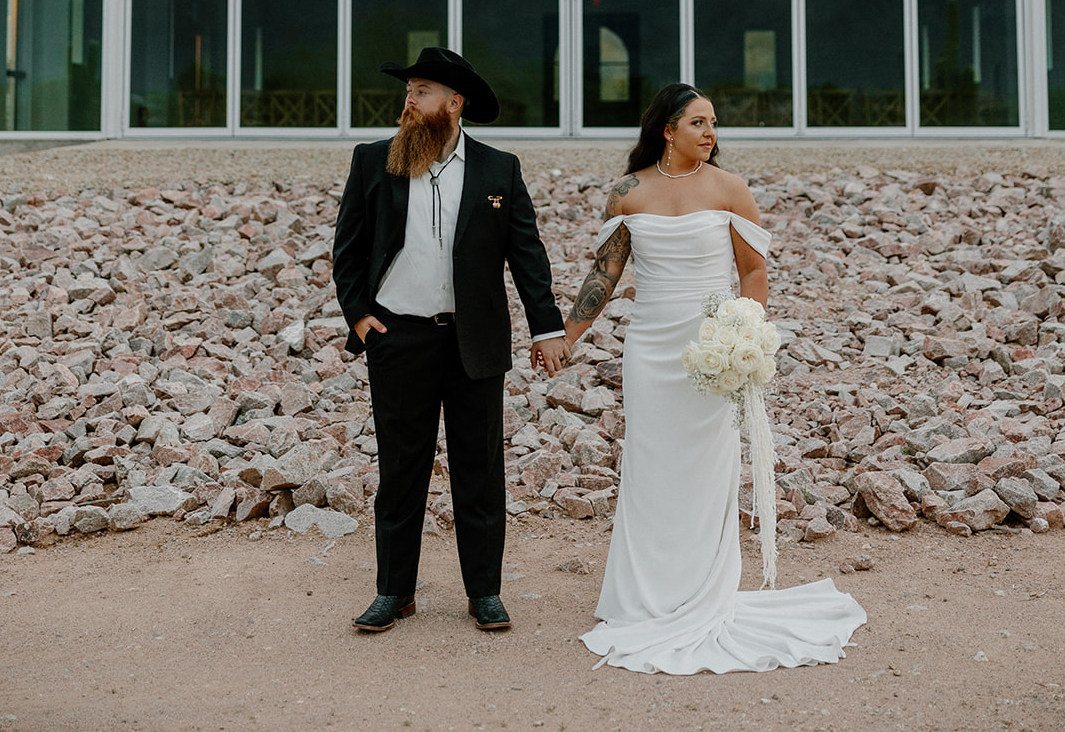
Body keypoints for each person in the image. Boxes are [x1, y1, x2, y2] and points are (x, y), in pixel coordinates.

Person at [564, 83, 866, 674]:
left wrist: (742, 334)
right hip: (649, 348)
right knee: (651, 467)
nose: (711, 133)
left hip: (712, 348)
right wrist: (568, 335)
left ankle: (704, 591)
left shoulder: (730, 189)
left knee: (707, 469)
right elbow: (606, 273)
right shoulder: (628, 192)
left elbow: (753, 272)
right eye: (699, 123)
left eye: (714, 123)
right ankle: (644, 597)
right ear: (666, 130)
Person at [332, 46, 569, 635]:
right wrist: (360, 318)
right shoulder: (372, 161)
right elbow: (348, 251)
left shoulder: (498, 168)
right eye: (408, 90)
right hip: (398, 339)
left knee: (479, 471)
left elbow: (527, 255)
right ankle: (395, 593)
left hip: (475, 342)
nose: (408, 102)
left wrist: (548, 328)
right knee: (400, 471)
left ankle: (484, 592)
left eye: (421, 92)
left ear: (454, 103)